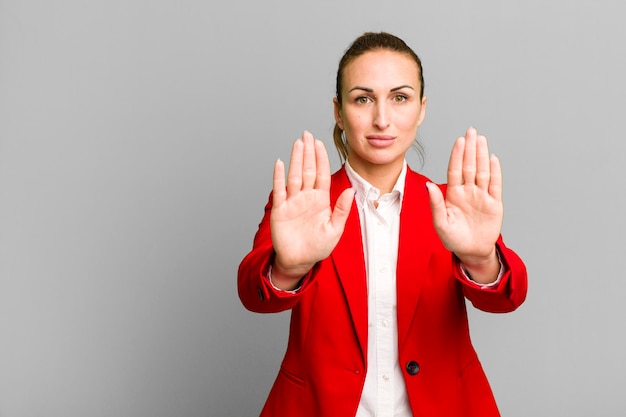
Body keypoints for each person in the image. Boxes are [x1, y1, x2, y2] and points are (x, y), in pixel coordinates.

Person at [238, 31, 527, 417]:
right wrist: (288, 268)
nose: (381, 119)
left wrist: (481, 259)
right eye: (362, 98)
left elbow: (507, 297)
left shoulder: (451, 205)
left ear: (421, 108)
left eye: (400, 97)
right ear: (338, 111)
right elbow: (252, 293)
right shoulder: (303, 203)